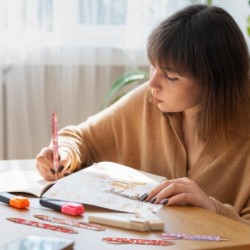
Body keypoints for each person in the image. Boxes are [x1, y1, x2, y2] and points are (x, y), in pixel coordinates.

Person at [36, 4, 250, 225]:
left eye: (171, 76)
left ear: (214, 81)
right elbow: (80, 137)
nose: (153, 83)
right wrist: (64, 152)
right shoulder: (151, 100)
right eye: (153, 66)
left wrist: (212, 208)